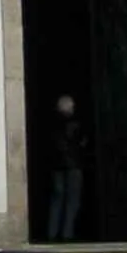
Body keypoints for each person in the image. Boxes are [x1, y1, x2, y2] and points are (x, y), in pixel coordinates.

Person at [46, 93, 85, 242]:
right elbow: (80, 144)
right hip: (73, 165)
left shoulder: (52, 124)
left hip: (56, 166)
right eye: (72, 105)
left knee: (57, 199)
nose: (74, 107)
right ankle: (67, 233)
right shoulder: (75, 124)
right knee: (72, 200)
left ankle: (52, 232)